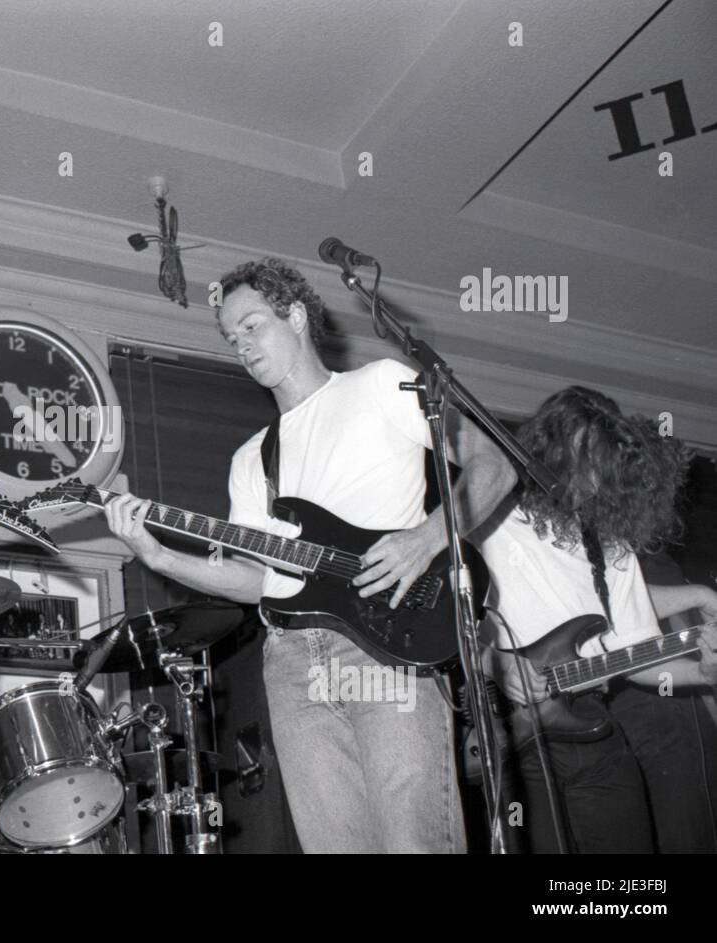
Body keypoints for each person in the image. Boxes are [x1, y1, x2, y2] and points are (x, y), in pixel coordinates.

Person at [103, 258, 516, 853]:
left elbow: (494, 464)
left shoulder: (380, 383)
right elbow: (255, 580)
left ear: (295, 315)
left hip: (384, 640)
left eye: (251, 326)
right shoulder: (253, 458)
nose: (240, 345)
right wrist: (159, 556)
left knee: (413, 840)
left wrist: (427, 537)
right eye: (230, 337)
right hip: (291, 659)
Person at [474, 386, 717, 853]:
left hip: (592, 730)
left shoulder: (612, 549)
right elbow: (444, 614)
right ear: (549, 448)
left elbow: (635, 655)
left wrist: (699, 672)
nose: (590, 481)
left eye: (601, 468)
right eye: (583, 461)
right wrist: (495, 664)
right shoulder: (489, 518)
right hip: (509, 732)